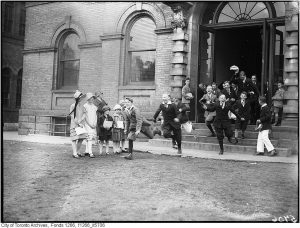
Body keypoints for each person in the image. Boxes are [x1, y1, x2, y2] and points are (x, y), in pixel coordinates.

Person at [69, 90, 87, 158]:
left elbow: (85, 113)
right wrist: (78, 122)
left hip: (81, 124)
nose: (81, 99)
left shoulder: (82, 106)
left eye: (82, 97)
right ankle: (74, 153)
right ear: (77, 98)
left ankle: (77, 151)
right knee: (74, 139)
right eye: (80, 97)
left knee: (81, 139)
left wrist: (81, 120)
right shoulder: (73, 106)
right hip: (75, 124)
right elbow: (72, 115)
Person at [82, 92, 98, 158]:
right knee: (89, 138)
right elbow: (85, 117)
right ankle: (90, 152)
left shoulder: (94, 107)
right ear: (88, 99)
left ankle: (87, 151)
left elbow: (95, 115)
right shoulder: (85, 106)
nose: (91, 99)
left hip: (93, 123)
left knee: (90, 137)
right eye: (90, 98)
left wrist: (95, 123)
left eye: (92, 98)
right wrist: (89, 124)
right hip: (88, 124)